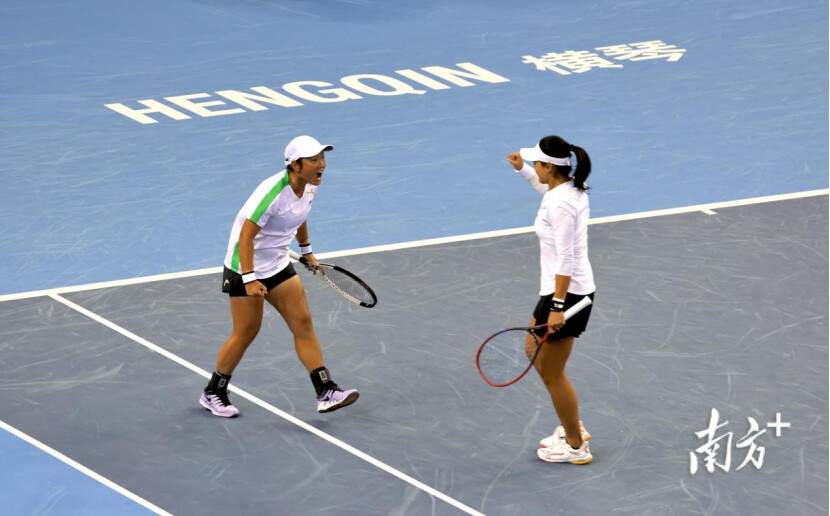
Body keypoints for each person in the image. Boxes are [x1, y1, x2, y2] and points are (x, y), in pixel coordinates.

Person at [200, 135, 359, 418]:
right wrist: (250, 278)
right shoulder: (272, 193)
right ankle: (214, 392)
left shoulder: (310, 187)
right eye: (313, 160)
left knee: (303, 323)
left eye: (322, 158)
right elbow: (245, 237)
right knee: (246, 332)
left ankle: (325, 391)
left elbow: (299, 216)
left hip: (277, 264)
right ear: (296, 165)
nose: (321, 164)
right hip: (244, 266)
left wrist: (306, 251)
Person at [506, 135, 596, 464]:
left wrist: (558, 307)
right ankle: (571, 424)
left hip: (566, 294)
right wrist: (523, 171)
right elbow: (546, 190)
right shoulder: (569, 189)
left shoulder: (561, 203)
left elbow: (566, 257)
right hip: (557, 290)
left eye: (537, 164)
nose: (536, 168)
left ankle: (575, 443)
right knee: (534, 351)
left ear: (549, 167)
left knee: (551, 372)